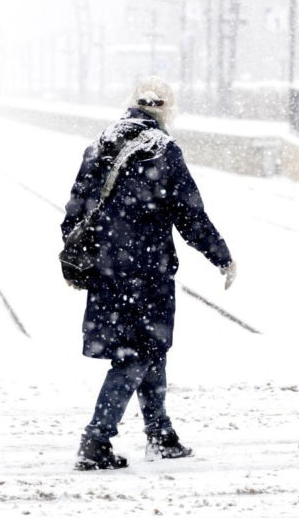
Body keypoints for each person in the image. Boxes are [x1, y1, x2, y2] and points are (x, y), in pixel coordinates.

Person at [61, 75, 237, 471]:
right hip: (147, 273)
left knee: (148, 349)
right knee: (135, 356)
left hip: (108, 275)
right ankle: (96, 440)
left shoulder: (101, 144)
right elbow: (190, 215)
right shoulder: (163, 151)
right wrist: (221, 255)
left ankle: (161, 435)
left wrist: (94, 258)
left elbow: (73, 213)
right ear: (166, 110)